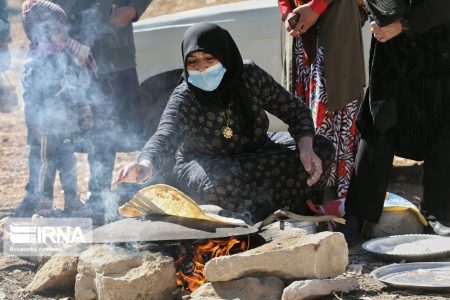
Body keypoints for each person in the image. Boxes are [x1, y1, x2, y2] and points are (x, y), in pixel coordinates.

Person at [114, 22, 335, 222]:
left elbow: (295, 111)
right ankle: (246, 222)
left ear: (225, 55)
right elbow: (165, 134)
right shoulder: (185, 95)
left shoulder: (249, 76)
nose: (201, 68)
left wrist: (306, 148)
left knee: (321, 148)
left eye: (209, 59)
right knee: (221, 183)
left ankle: (299, 213)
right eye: (193, 62)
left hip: (258, 150)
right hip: (205, 162)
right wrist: (144, 164)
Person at [341, 0, 450, 243]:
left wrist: (406, 24)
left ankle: (439, 213)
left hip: (440, 48)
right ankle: (358, 213)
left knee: (444, 130)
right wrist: (381, 18)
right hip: (393, 52)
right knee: (379, 126)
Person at [49, 0, 152, 220]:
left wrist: (133, 8)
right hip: (68, 48)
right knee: (62, 129)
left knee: (107, 125)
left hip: (113, 50)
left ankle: (99, 194)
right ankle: (61, 199)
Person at [277, 0, 365, 202]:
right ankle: (312, 198)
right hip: (301, 38)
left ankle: (340, 202)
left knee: (336, 110)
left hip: (334, 27)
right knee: (303, 114)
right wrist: (287, 13)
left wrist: (315, 8)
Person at [15, 0, 95, 217]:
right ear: (41, 31)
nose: (63, 34)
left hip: (66, 122)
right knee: (44, 163)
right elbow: (31, 98)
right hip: (44, 127)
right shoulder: (34, 63)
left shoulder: (66, 55)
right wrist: (36, 124)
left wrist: (84, 108)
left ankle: (71, 198)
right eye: (57, 29)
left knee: (68, 161)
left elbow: (77, 84)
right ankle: (43, 201)